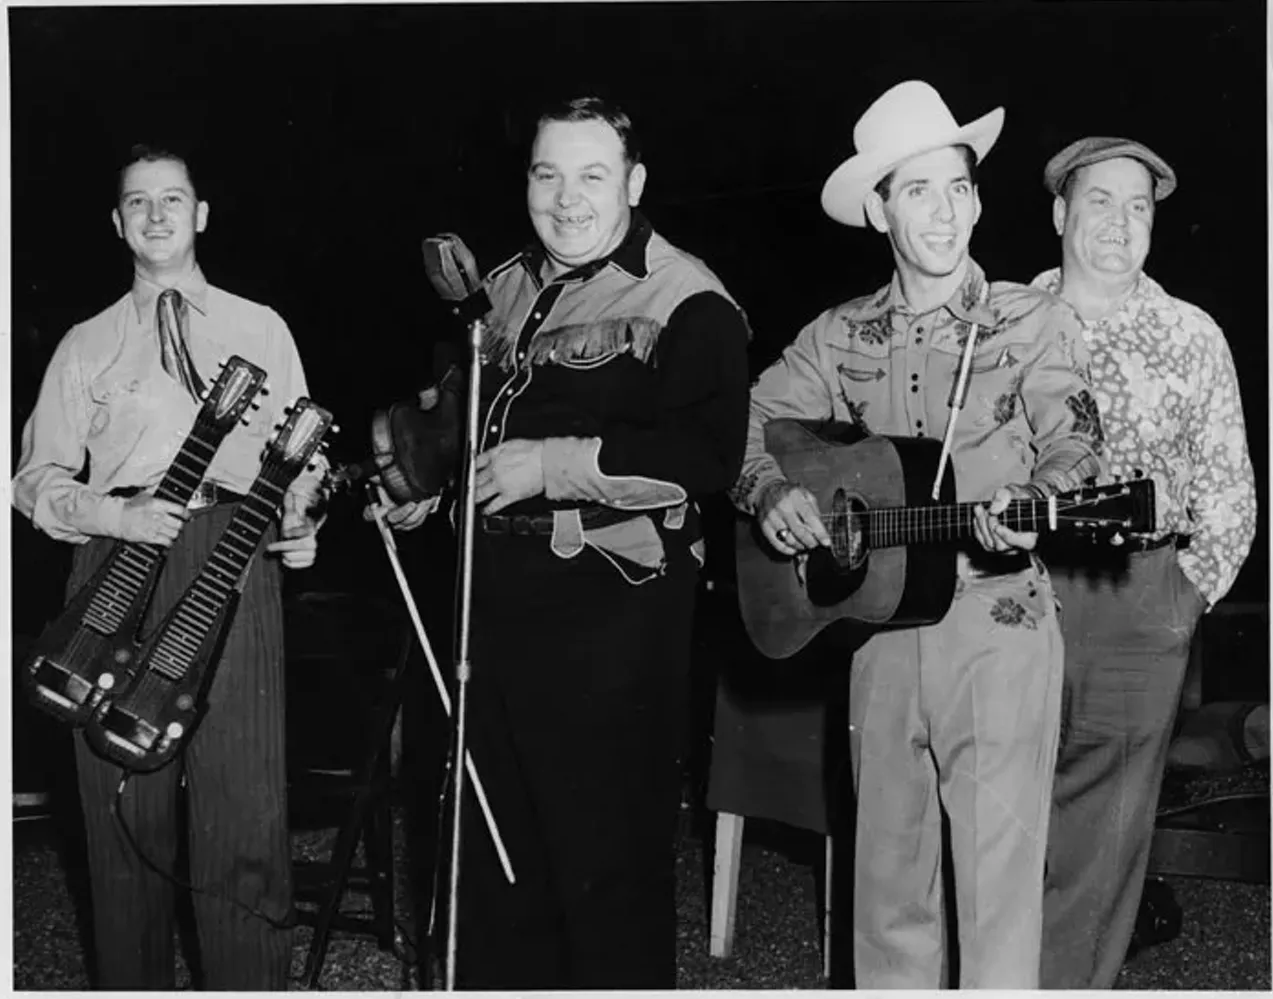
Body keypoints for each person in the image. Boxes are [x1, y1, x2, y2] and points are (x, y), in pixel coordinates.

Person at [731, 80, 1106, 989]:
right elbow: (745, 419)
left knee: (997, 898)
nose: (946, 212)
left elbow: (1081, 444)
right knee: (887, 893)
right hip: (878, 633)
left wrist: (1037, 497)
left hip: (998, 623)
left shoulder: (1033, 319)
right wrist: (770, 488)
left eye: (960, 187)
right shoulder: (836, 335)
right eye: (919, 190)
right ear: (879, 208)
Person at [380, 95, 750, 989]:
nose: (568, 197)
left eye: (592, 175)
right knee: (493, 857)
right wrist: (423, 496)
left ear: (634, 181)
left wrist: (553, 463)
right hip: (492, 612)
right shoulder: (502, 286)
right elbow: (466, 436)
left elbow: (704, 456)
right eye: (548, 174)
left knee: (602, 865)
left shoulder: (689, 298)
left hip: (610, 626)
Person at [13, 144, 324, 989]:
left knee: (243, 805)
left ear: (202, 214)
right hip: (114, 562)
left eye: (172, 198)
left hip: (233, 554)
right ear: (118, 223)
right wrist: (115, 514)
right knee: (124, 815)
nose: (156, 215)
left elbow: (304, 459)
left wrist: (301, 518)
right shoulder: (85, 344)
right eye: (138, 202)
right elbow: (32, 480)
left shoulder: (260, 326)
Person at [1033, 136, 1257, 988]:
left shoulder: (1190, 334)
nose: (1119, 224)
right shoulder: (1005, 317)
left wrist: (1181, 601)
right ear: (1060, 213)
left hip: (1139, 599)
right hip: (1010, 588)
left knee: (1107, 836)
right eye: (1100, 201)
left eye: (1139, 207)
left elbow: (1230, 487)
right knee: (1004, 816)